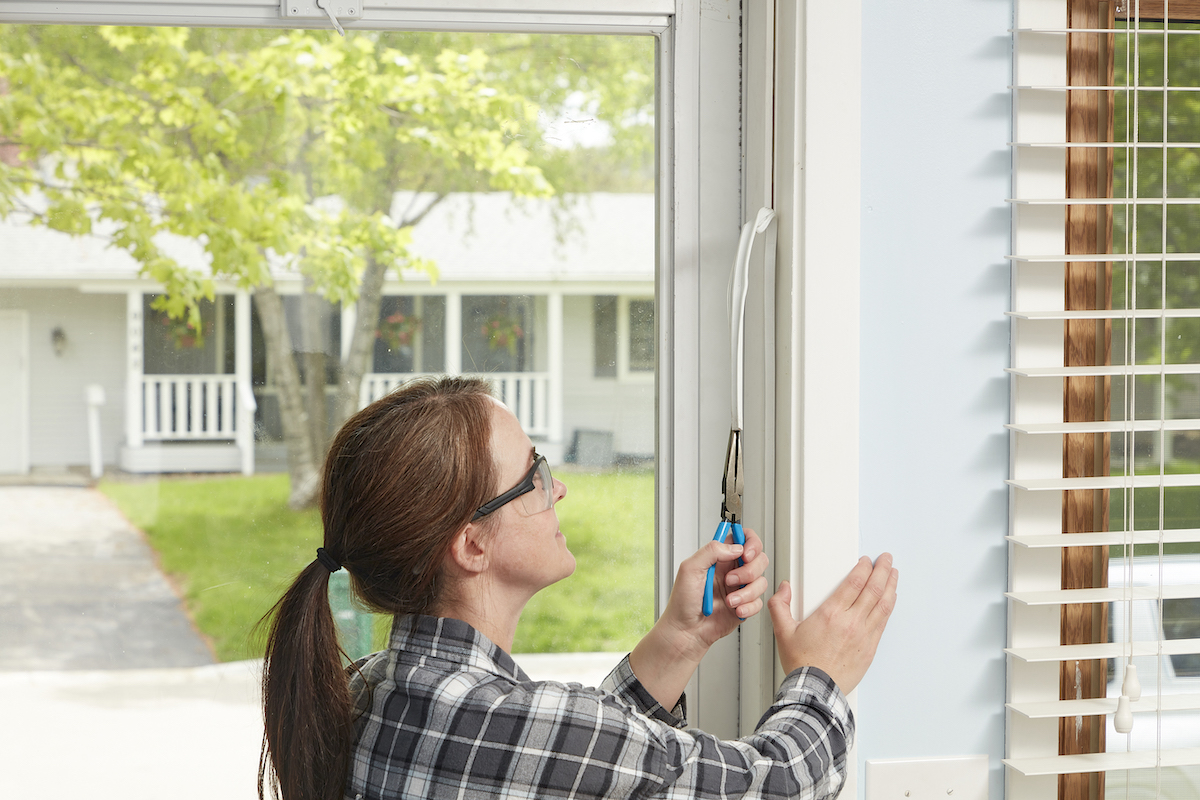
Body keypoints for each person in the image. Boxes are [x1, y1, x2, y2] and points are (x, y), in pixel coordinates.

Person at [258, 375, 897, 800]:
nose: (555, 486)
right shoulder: (521, 723)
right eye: (534, 473)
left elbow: (562, 762)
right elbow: (779, 785)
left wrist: (680, 640)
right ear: (472, 545)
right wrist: (820, 675)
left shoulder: (368, 689)